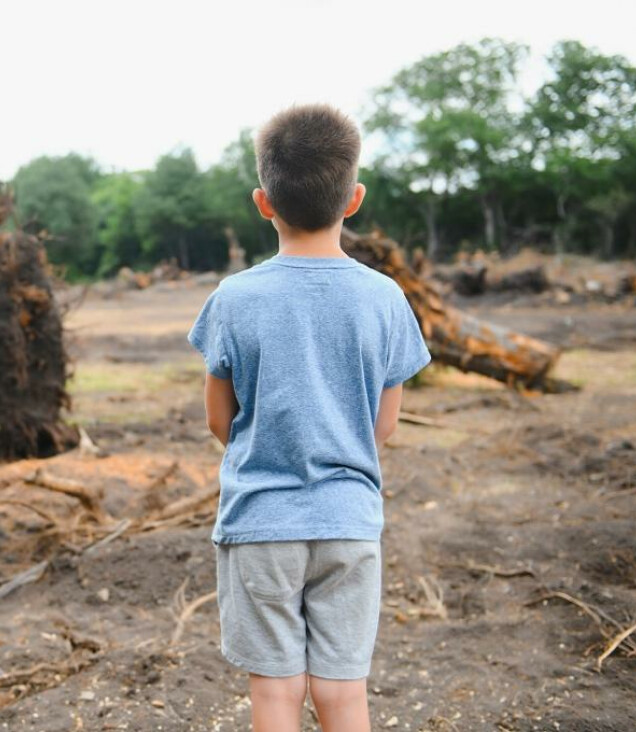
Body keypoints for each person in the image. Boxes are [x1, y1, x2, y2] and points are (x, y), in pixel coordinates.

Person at [186, 104, 431, 732]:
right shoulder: (384, 297)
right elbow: (383, 427)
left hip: (260, 522)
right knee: (342, 691)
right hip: (349, 521)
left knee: (275, 691)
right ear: (355, 198)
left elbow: (219, 421)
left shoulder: (234, 298)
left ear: (263, 202)